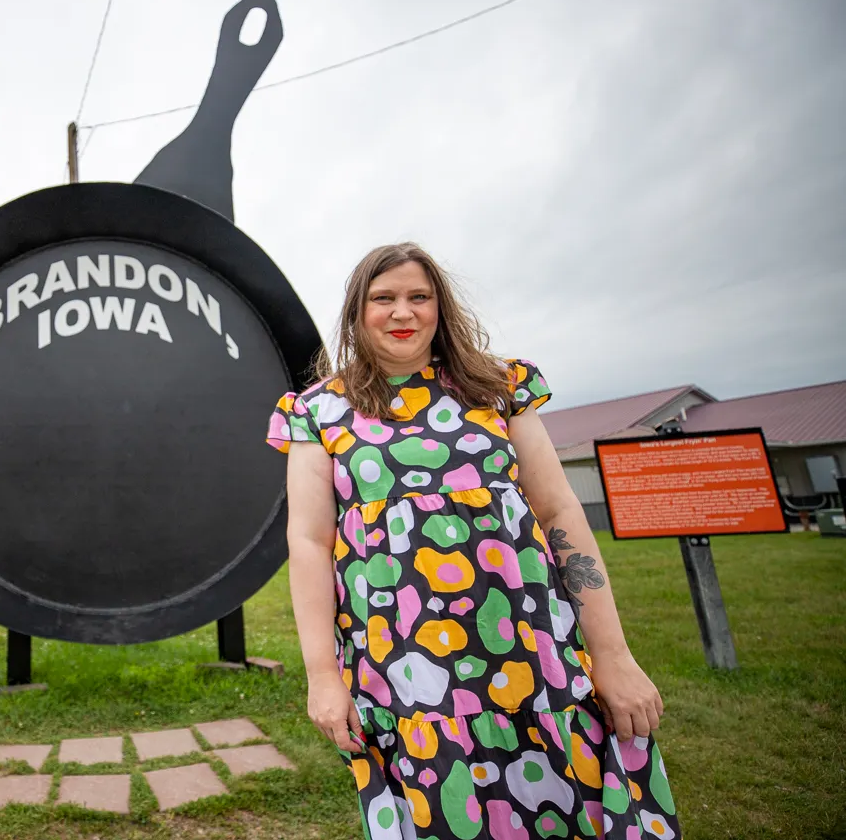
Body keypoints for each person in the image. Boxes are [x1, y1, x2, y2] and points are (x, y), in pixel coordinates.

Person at [266, 243, 679, 840]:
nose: (401, 312)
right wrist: (322, 675)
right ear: (358, 313)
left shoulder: (496, 388)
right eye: (383, 299)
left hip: (533, 651)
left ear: (441, 307)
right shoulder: (319, 412)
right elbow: (307, 543)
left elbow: (559, 510)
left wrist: (612, 655)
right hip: (407, 667)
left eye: (418, 297)